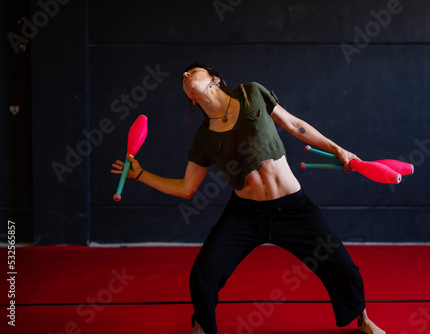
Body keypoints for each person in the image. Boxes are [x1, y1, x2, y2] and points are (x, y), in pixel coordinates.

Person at [111, 63, 385, 334]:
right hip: (245, 214)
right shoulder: (203, 138)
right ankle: (204, 327)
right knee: (203, 273)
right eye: (183, 77)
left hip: (293, 208)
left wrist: (339, 150)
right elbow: (186, 188)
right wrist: (140, 175)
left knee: (343, 267)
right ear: (191, 99)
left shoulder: (251, 94)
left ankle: (363, 320)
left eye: (193, 71)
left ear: (215, 79)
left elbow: (294, 124)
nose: (186, 75)